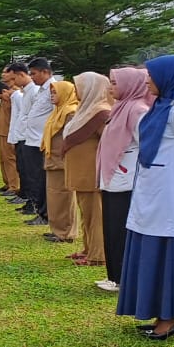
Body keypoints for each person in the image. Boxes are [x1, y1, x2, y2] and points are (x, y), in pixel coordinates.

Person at [117, 56, 174, 340]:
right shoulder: (161, 106)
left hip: (171, 193)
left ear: (170, 77)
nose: (146, 80)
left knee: (168, 246)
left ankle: (173, 317)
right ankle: (160, 313)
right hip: (153, 189)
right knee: (150, 245)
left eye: (151, 75)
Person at [94, 67, 153, 292]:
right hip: (113, 179)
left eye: (115, 83)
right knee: (111, 229)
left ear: (130, 85)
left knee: (121, 231)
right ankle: (114, 275)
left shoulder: (138, 110)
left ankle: (123, 278)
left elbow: (146, 146)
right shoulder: (120, 107)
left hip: (126, 182)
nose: (110, 88)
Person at [61, 72, 111, 266]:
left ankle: (98, 255)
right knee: (86, 213)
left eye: (80, 86)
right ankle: (88, 248)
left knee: (96, 215)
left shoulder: (102, 112)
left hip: (92, 174)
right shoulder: (87, 109)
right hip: (82, 173)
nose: (76, 90)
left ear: (92, 88)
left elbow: (108, 142)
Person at [41, 80, 79, 243]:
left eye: (55, 92)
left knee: (64, 197)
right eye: (51, 92)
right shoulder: (58, 111)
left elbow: (71, 139)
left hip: (63, 162)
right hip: (53, 160)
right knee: (54, 196)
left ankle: (66, 232)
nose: (52, 95)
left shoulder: (70, 112)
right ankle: (57, 230)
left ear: (65, 93)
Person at [20, 58, 56, 226]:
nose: (32, 77)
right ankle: (40, 211)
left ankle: (45, 214)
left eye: (34, 74)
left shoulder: (54, 89)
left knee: (41, 180)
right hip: (32, 140)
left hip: (41, 142)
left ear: (45, 72)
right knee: (34, 179)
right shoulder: (41, 90)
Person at [3, 62, 34, 207]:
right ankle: (24, 195)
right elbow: (20, 117)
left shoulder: (25, 94)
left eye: (13, 80)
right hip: (21, 136)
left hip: (28, 138)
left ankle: (29, 199)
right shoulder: (25, 93)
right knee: (22, 168)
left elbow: (25, 118)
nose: (13, 85)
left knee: (29, 172)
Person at [0, 81, 20, 197]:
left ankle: (14, 186)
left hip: (9, 133)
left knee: (10, 159)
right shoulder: (7, 97)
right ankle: (7, 183)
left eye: (1, 97)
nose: (1, 99)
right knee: (3, 159)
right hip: (1, 131)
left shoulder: (16, 97)